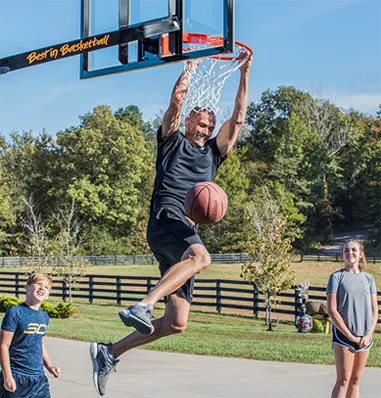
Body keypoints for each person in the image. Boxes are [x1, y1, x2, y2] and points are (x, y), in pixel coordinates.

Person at [90, 54, 253, 395]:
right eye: (202, 123)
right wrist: (188, 70)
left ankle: (109, 352)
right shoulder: (171, 140)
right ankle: (144, 305)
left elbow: (238, 119)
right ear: (191, 119)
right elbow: (176, 102)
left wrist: (245, 72)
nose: (206, 129)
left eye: (210, 127)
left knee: (177, 323)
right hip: (167, 216)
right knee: (203, 259)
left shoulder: (213, 153)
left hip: (182, 231)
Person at [326, 240, 378, 398]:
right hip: (344, 337)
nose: (350, 253)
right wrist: (350, 335)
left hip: (364, 337)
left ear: (361, 253)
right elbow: (332, 310)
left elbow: (375, 310)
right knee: (344, 380)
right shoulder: (336, 278)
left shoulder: (368, 279)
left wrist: (368, 334)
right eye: (346, 251)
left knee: (356, 380)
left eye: (354, 250)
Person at [0, 273, 61, 398]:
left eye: (46, 287)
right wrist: (8, 376)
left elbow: (39, 343)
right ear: (27, 287)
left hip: (38, 379)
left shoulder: (44, 317)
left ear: (48, 295)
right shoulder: (15, 313)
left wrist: (49, 366)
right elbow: (3, 346)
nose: (42, 288)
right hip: (17, 376)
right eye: (38, 284)